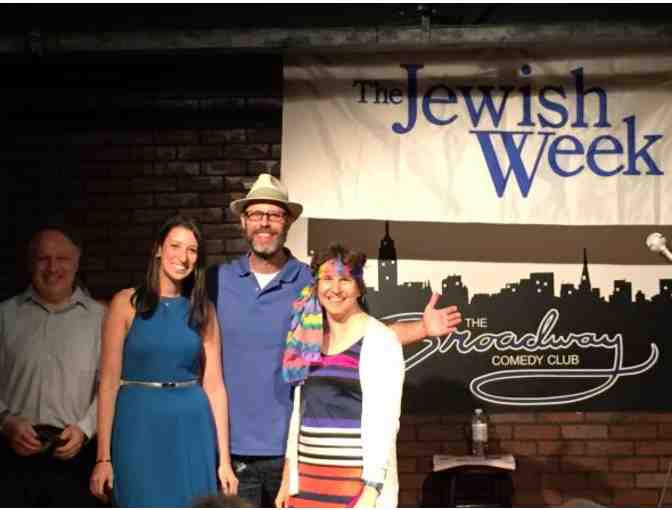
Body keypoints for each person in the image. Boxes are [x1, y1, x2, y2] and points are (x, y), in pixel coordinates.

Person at [209, 174, 462, 507]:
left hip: (292, 452)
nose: (265, 222)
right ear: (243, 221)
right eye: (256, 214)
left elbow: (359, 337)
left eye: (275, 214)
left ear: (288, 222)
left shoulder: (310, 280)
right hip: (235, 451)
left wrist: (421, 329)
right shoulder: (217, 280)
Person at [90, 215, 238, 507]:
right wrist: (103, 458)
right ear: (158, 249)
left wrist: (224, 461)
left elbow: (215, 386)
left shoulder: (203, 310)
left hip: (191, 427)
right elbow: (107, 384)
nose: (183, 257)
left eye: (192, 250)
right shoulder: (125, 303)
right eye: (175, 246)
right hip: (137, 425)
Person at [278, 244, 405, 508]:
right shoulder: (309, 335)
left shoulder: (380, 339)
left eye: (345, 279)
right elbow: (300, 413)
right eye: (327, 278)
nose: (335, 289)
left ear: (359, 287)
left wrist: (371, 491)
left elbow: (385, 420)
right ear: (316, 285)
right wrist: (288, 478)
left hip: (355, 487)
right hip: (307, 485)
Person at [0, 227, 104, 507]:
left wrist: (84, 429)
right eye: (43, 259)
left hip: (76, 458)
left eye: (62, 258)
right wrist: (6, 422)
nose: (52, 267)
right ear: (30, 263)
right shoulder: (4, 316)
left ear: (77, 262)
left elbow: (109, 387)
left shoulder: (101, 319)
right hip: (11, 459)